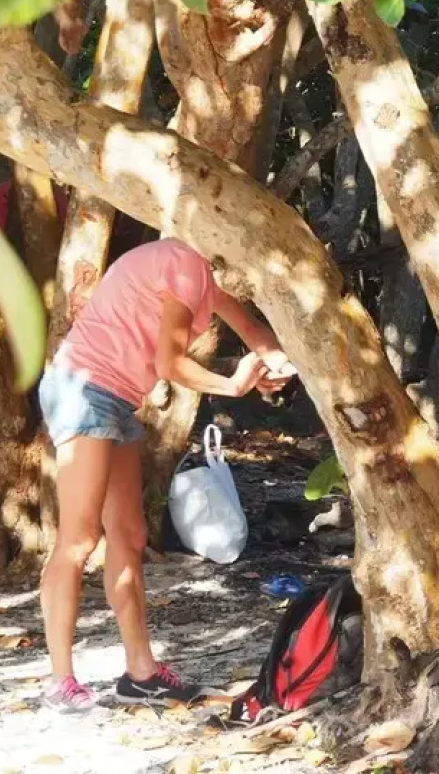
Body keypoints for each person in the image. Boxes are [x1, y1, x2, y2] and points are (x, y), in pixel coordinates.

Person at [38, 237, 296, 712]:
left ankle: (141, 674)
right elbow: (169, 364)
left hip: (114, 397)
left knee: (130, 535)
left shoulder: (201, 278)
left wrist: (279, 362)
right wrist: (234, 386)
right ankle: (59, 681)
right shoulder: (185, 264)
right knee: (79, 538)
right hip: (83, 388)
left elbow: (251, 326)